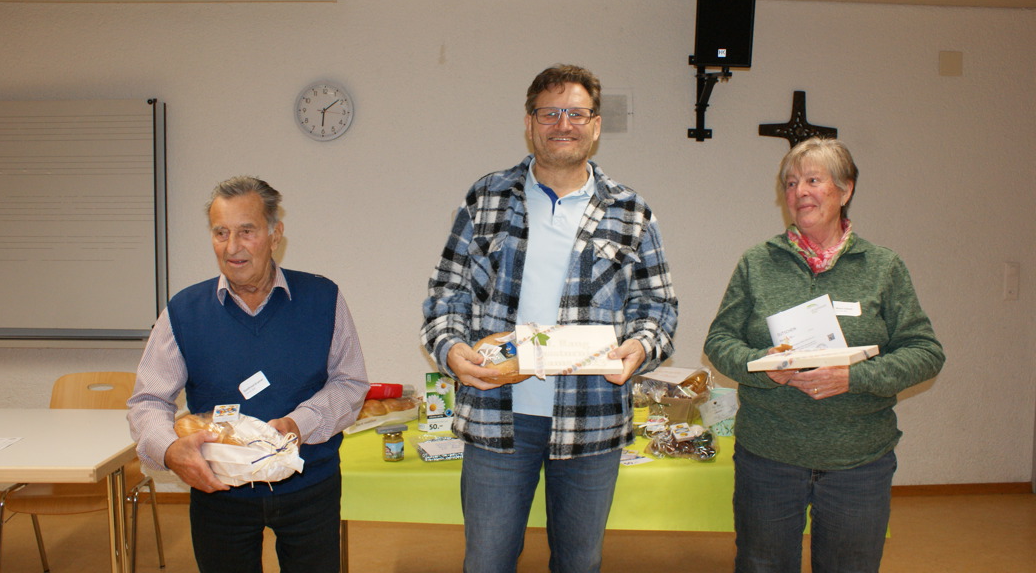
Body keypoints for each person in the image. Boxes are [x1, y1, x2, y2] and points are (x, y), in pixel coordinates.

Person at [420, 64, 678, 573]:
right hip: (497, 413)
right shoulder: (486, 198)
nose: (563, 124)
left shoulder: (631, 211)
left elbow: (658, 306)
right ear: (529, 123)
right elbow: (447, 292)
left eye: (577, 113)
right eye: (549, 112)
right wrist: (451, 348)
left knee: (579, 563)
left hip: (592, 417)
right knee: (487, 562)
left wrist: (642, 346)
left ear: (596, 125)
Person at [703, 137, 945, 573]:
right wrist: (763, 368)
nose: (800, 192)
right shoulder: (757, 263)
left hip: (859, 461)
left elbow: (926, 352)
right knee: (762, 565)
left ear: (845, 189)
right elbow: (720, 341)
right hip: (769, 456)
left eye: (813, 180)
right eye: (791, 183)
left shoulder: (883, 267)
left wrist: (855, 377)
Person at [127, 176, 369, 573]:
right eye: (220, 232)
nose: (232, 247)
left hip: (309, 485)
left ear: (275, 235)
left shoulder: (323, 298)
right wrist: (170, 450)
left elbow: (350, 382)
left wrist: (299, 424)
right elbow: (148, 400)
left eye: (246, 231)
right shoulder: (184, 311)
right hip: (219, 491)